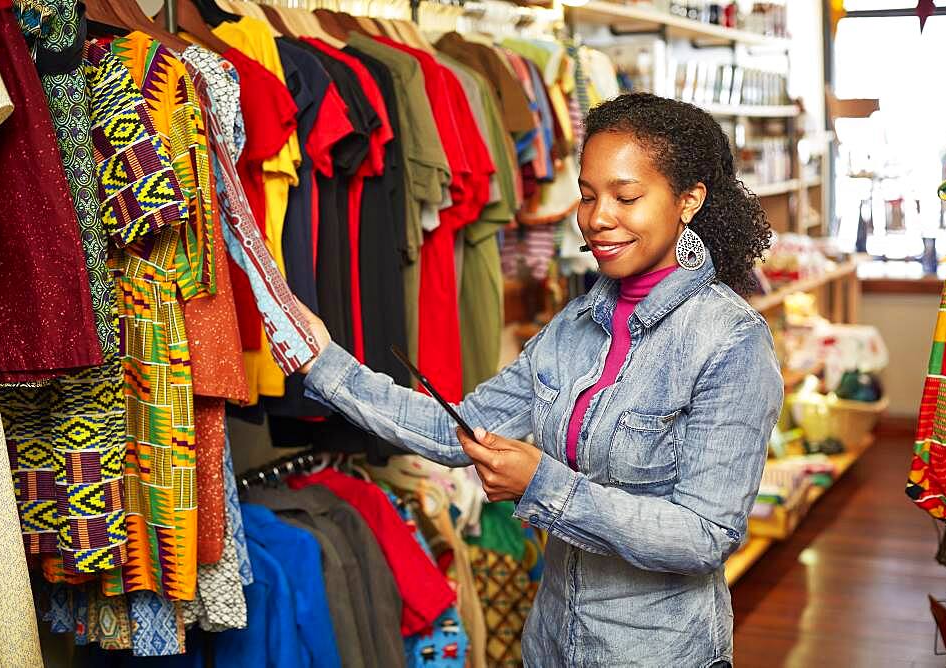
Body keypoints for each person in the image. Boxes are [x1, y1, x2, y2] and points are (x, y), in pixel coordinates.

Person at [297, 92, 784, 667]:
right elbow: (455, 428)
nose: (598, 217)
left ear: (689, 200)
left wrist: (543, 485)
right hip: (551, 643)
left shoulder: (731, 341)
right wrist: (321, 360)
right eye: (587, 195)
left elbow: (704, 537)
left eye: (626, 196)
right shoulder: (575, 325)